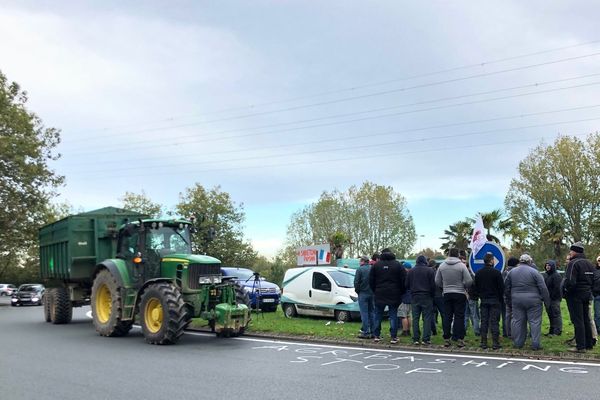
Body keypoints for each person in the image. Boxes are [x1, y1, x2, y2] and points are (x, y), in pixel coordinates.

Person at [504, 254, 550, 350]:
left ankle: (518, 343)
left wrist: (509, 300)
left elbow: (506, 288)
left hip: (516, 300)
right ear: (530, 261)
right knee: (535, 322)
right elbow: (543, 288)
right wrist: (546, 301)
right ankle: (535, 344)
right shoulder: (535, 272)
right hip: (534, 301)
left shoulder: (511, 272)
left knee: (518, 321)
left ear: (520, 261)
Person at [435, 248, 472, 347]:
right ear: (458, 254)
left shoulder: (442, 266)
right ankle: (460, 339)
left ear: (448, 254)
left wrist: (444, 287)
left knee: (447, 316)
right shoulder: (461, 266)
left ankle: (447, 338)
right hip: (460, 293)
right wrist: (463, 285)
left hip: (447, 293)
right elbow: (469, 281)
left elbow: (437, 281)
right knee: (459, 316)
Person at [369, 248, 407, 344]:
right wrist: (401, 292)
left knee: (378, 314)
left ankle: (376, 335)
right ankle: (393, 336)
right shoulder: (398, 265)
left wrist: (375, 290)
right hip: (394, 293)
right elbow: (404, 280)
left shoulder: (376, 265)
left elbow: (371, 280)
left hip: (379, 293)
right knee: (393, 315)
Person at [564, 242, 595, 352]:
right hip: (587, 294)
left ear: (575, 251)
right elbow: (594, 279)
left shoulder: (573, 263)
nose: (570, 253)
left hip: (575, 295)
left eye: (571, 251)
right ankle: (589, 344)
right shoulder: (589, 263)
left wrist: (566, 290)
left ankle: (580, 346)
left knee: (578, 321)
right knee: (586, 319)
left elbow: (570, 281)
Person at [473, 252, 504, 349]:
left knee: (484, 321)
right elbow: (501, 288)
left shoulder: (478, 273)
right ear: (491, 261)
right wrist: (500, 299)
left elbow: (475, 287)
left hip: (484, 300)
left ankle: (483, 342)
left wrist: (479, 295)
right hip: (495, 300)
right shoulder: (497, 273)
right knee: (494, 322)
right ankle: (495, 343)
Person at [406, 255, 436, 345]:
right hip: (427, 296)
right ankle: (426, 339)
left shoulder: (411, 271)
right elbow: (433, 285)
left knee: (415, 318)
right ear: (425, 262)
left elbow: (406, 284)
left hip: (415, 296)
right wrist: (432, 295)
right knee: (426, 318)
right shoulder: (430, 270)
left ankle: (416, 338)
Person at [354, 255, 375, 339]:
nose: (359, 263)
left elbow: (356, 282)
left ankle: (365, 332)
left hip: (363, 293)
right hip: (372, 293)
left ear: (362, 261)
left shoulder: (359, 269)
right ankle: (373, 332)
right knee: (372, 312)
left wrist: (357, 291)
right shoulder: (372, 268)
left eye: (360, 261)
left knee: (364, 313)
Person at [461, 251, 480, 337]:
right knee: (474, 315)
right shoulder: (472, 273)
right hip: (471, 296)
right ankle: (476, 331)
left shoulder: (463, 272)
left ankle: (464, 331)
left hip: (466, 295)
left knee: (466, 315)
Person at [542, 259, 563, 336]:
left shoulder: (556, 275)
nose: (547, 267)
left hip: (554, 299)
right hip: (548, 299)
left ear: (553, 266)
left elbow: (557, 288)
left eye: (549, 265)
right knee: (550, 315)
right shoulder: (547, 275)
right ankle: (552, 330)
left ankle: (557, 331)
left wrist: (553, 297)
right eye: (546, 265)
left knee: (556, 315)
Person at [502, 256, 519, 338]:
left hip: (505, 296)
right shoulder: (515, 272)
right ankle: (512, 333)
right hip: (513, 296)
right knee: (514, 316)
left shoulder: (504, 272)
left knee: (507, 315)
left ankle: (507, 332)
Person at [429, 259, 444, 336]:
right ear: (435, 265)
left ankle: (433, 331)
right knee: (444, 314)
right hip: (439, 295)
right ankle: (446, 331)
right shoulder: (439, 273)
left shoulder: (427, 272)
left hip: (431, 296)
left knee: (431, 314)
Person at [398, 261, 412, 337]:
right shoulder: (412, 275)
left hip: (404, 297)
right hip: (411, 297)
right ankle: (409, 330)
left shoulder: (404, 275)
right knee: (408, 315)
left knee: (403, 316)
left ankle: (404, 331)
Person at [594, 255, 600, 335]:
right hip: (597, 295)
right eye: (599, 260)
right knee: (597, 314)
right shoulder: (594, 270)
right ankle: (598, 329)